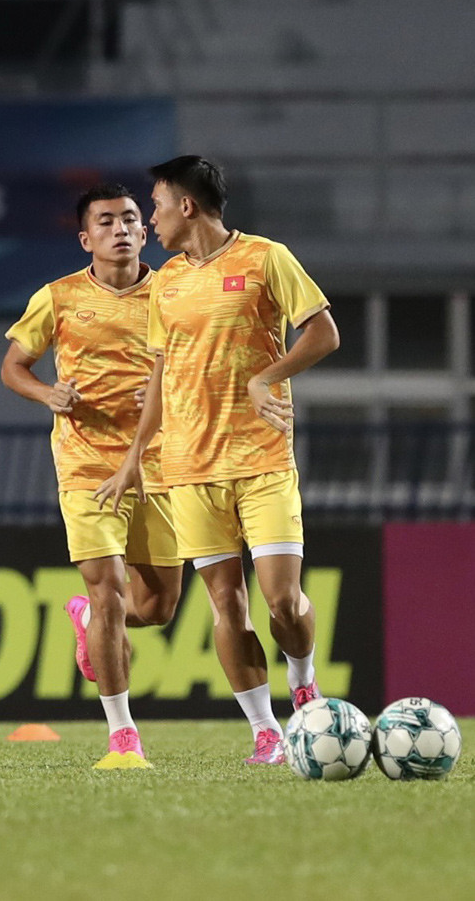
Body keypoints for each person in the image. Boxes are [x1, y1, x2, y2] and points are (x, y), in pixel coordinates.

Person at [100, 155, 341, 765]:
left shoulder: (266, 258)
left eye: (154, 206)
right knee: (227, 604)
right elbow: (160, 372)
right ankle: (266, 733)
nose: (149, 220)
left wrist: (270, 376)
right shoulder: (167, 284)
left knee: (282, 600)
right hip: (187, 468)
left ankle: (304, 683)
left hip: (261, 460)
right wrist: (135, 457)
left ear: (186, 206)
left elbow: (323, 333)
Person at [1, 183, 184, 768]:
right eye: (106, 222)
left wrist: (167, 391)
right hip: (86, 465)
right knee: (107, 591)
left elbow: (199, 365)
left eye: (131, 218)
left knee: (156, 609)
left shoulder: (175, 293)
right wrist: (46, 392)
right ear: (87, 238)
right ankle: (122, 732)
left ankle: (84, 619)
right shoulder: (57, 298)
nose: (122, 228)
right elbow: (13, 366)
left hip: (159, 464)